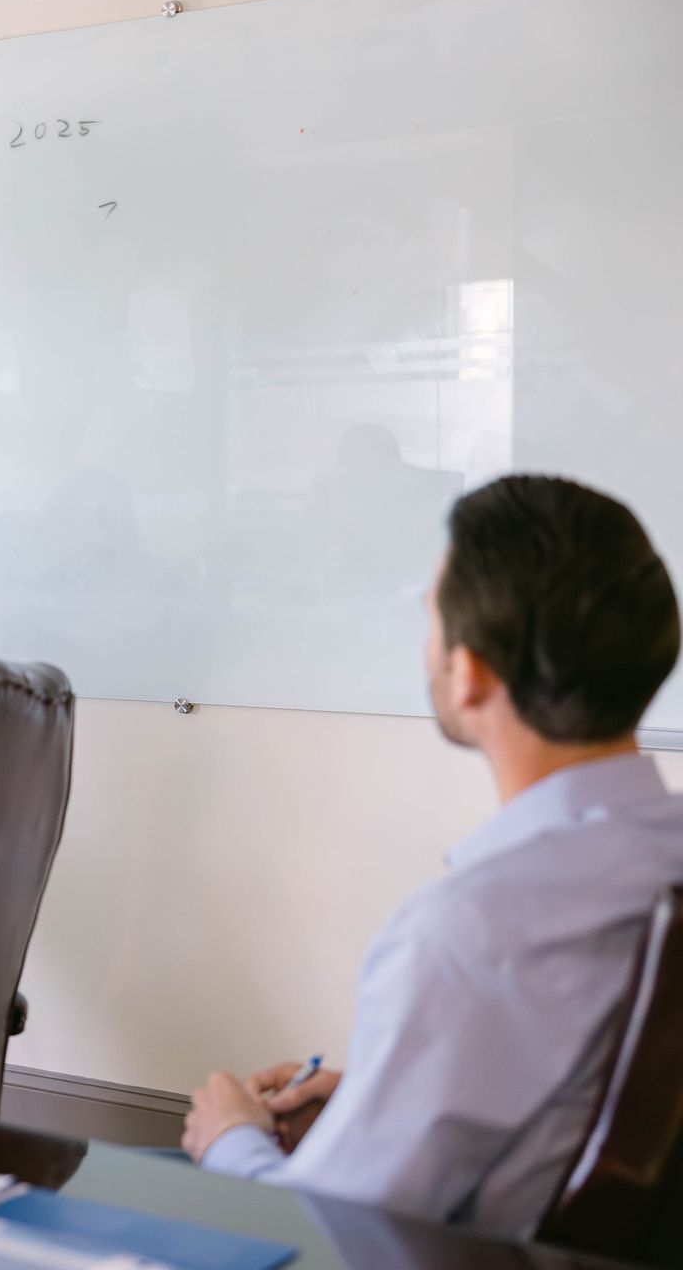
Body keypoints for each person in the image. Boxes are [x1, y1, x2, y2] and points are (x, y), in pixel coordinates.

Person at [181, 475, 683, 1237]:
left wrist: (231, 1141)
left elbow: (325, 1236)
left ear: (470, 669)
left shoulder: (470, 930)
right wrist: (376, 1100)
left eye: (430, 620)